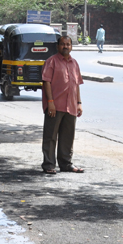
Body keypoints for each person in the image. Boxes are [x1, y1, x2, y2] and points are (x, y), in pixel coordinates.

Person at [41, 35, 84, 174]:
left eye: (68, 44)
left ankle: (66, 164)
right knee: (50, 136)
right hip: (55, 105)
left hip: (71, 106)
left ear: (71, 46)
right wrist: (50, 102)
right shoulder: (51, 62)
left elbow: (76, 84)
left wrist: (79, 103)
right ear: (58, 46)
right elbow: (46, 81)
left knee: (67, 137)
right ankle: (48, 164)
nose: (66, 46)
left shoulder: (74, 63)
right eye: (63, 44)